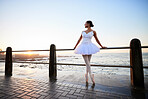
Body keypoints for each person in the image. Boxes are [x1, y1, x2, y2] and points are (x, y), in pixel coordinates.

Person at [74, 20, 107, 85]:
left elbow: (97, 39)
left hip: (90, 47)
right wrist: (75, 46)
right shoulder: (83, 32)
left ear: (88, 24)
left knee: (88, 63)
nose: (84, 24)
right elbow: (79, 39)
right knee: (88, 63)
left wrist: (101, 46)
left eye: (85, 23)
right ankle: (91, 77)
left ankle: (86, 76)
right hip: (83, 47)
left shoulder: (93, 32)